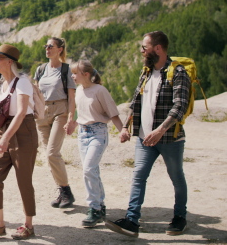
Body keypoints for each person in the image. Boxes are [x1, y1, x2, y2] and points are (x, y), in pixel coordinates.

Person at [105, 31, 191, 238]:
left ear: (158, 48)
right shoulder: (146, 72)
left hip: (170, 139)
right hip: (144, 138)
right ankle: (132, 220)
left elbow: (180, 106)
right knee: (138, 176)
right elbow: (136, 102)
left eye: (145, 47)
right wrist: (126, 127)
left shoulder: (177, 72)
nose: (142, 51)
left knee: (176, 176)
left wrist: (161, 130)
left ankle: (180, 217)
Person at [0, 44, 38, 240]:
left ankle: (28, 225)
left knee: (24, 180)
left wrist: (5, 137)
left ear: (10, 62)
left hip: (24, 132)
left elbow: (21, 112)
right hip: (5, 129)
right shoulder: (1, 84)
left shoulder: (22, 82)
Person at [65, 60, 123, 228]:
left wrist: (122, 130)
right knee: (92, 170)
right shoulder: (79, 91)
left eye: (75, 73)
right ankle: (100, 206)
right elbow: (84, 114)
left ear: (86, 75)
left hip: (98, 133)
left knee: (88, 169)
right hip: (82, 134)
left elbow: (113, 113)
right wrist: (72, 124)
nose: (72, 76)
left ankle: (94, 208)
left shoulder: (100, 90)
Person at [33, 37, 77, 208]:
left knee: (52, 153)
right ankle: (62, 191)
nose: (47, 48)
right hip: (42, 114)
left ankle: (66, 191)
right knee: (49, 156)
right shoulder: (41, 69)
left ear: (60, 49)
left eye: (51, 46)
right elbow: (36, 93)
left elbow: (72, 97)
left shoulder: (66, 70)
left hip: (60, 111)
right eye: (46, 46)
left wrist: (71, 118)